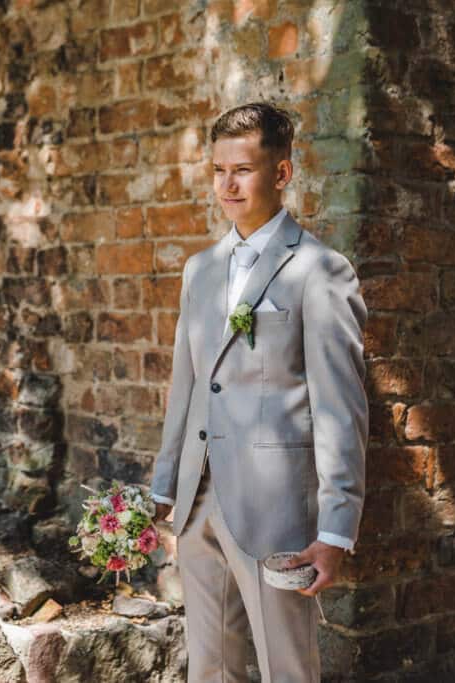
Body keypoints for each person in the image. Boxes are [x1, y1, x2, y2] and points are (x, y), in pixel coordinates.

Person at [148, 102, 368, 682]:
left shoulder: (321, 271)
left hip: (277, 514)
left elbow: (341, 410)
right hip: (199, 506)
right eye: (219, 170)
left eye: (242, 169)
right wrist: (164, 489)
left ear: (282, 173)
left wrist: (335, 530)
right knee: (211, 669)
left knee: (287, 670)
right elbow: (187, 383)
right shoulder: (200, 270)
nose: (227, 184)